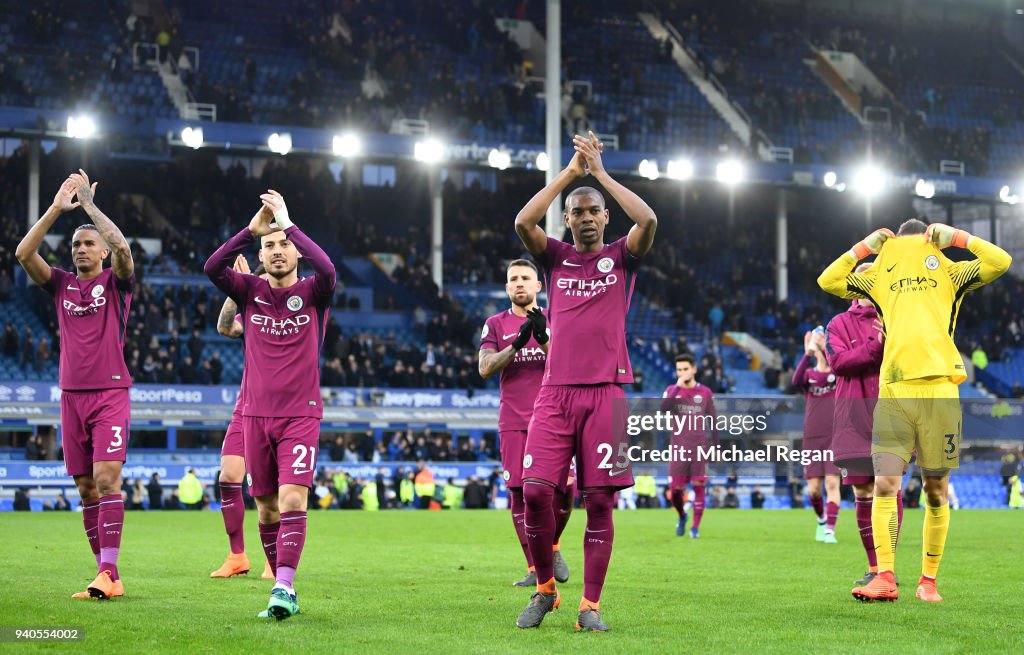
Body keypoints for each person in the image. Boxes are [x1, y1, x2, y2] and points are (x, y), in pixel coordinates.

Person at [818, 218, 1011, 602]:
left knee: (936, 489)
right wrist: (866, 247)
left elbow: (1001, 261)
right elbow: (829, 280)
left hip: (940, 388)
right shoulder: (879, 278)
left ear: (929, 241)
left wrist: (954, 239)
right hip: (894, 390)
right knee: (886, 483)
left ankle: (929, 581)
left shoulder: (951, 274)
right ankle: (885, 577)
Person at [513, 131, 657, 631]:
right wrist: (571, 175)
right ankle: (545, 589)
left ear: (604, 217)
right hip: (555, 394)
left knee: (599, 501)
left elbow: (649, 219)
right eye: (579, 211)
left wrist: (600, 175)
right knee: (535, 492)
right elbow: (523, 221)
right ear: (568, 220)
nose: (588, 217)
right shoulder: (553, 258)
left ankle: (589, 607)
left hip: (607, 394)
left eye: (595, 210)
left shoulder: (622, 256)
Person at [205, 189, 336, 619]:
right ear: (261, 255)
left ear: (296, 251)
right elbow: (212, 267)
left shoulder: (315, 292)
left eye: (284, 245)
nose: (277, 251)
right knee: (265, 508)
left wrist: (287, 221)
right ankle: (276, 578)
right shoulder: (249, 290)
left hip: (301, 414)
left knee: (293, 501)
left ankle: (283, 586)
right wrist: (250, 231)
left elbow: (330, 267)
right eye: (270, 246)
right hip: (254, 416)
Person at [16, 170, 134, 600]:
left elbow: (122, 246)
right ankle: (109, 574)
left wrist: (89, 208)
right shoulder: (62, 285)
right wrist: (55, 209)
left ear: (100, 250)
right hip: (71, 396)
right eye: (75, 245)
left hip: (110, 393)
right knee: (85, 488)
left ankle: (106, 572)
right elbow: (24, 253)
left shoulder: (117, 284)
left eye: (88, 244)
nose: (81, 249)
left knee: (106, 480)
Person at [479, 259, 573, 588]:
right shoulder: (495, 324)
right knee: (519, 494)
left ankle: (554, 546)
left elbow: (570, 364)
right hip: (513, 420)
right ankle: (535, 567)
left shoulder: (556, 319)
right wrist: (516, 344)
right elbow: (485, 367)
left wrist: (543, 337)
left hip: (555, 419)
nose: (519, 283)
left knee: (566, 490)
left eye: (525, 278)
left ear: (538, 286)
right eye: (513, 279)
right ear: (507, 288)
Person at [825, 263, 903, 586]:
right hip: (853, 420)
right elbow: (839, 363)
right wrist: (877, 347)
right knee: (863, 490)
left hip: (893, 414)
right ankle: (874, 567)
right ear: (855, 285)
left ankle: (888, 568)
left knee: (890, 486)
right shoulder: (838, 324)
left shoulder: (896, 316)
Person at [209, 257, 274, 580]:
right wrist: (237, 289)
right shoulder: (249, 315)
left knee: (270, 492)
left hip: (280, 408)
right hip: (245, 404)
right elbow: (224, 327)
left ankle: (275, 560)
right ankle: (237, 556)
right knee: (228, 477)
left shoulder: (288, 312)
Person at [661, 353, 718, 538]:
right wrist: (677, 387)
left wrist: (716, 447)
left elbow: (714, 421)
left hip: (699, 447)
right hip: (678, 448)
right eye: (679, 370)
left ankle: (695, 528)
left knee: (699, 485)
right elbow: (663, 410)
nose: (682, 373)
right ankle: (682, 515)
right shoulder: (671, 389)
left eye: (685, 369)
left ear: (694, 369)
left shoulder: (706, 392)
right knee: (675, 491)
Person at [792, 327, 840, 543]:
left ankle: (830, 529)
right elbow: (795, 381)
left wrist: (825, 348)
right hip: (812, 437)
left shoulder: (837, 375)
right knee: (813, 490)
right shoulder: (810, 376)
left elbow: (840, 368)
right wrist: (808, 353)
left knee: (832, 483)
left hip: (834, 437)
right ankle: (821, 520)